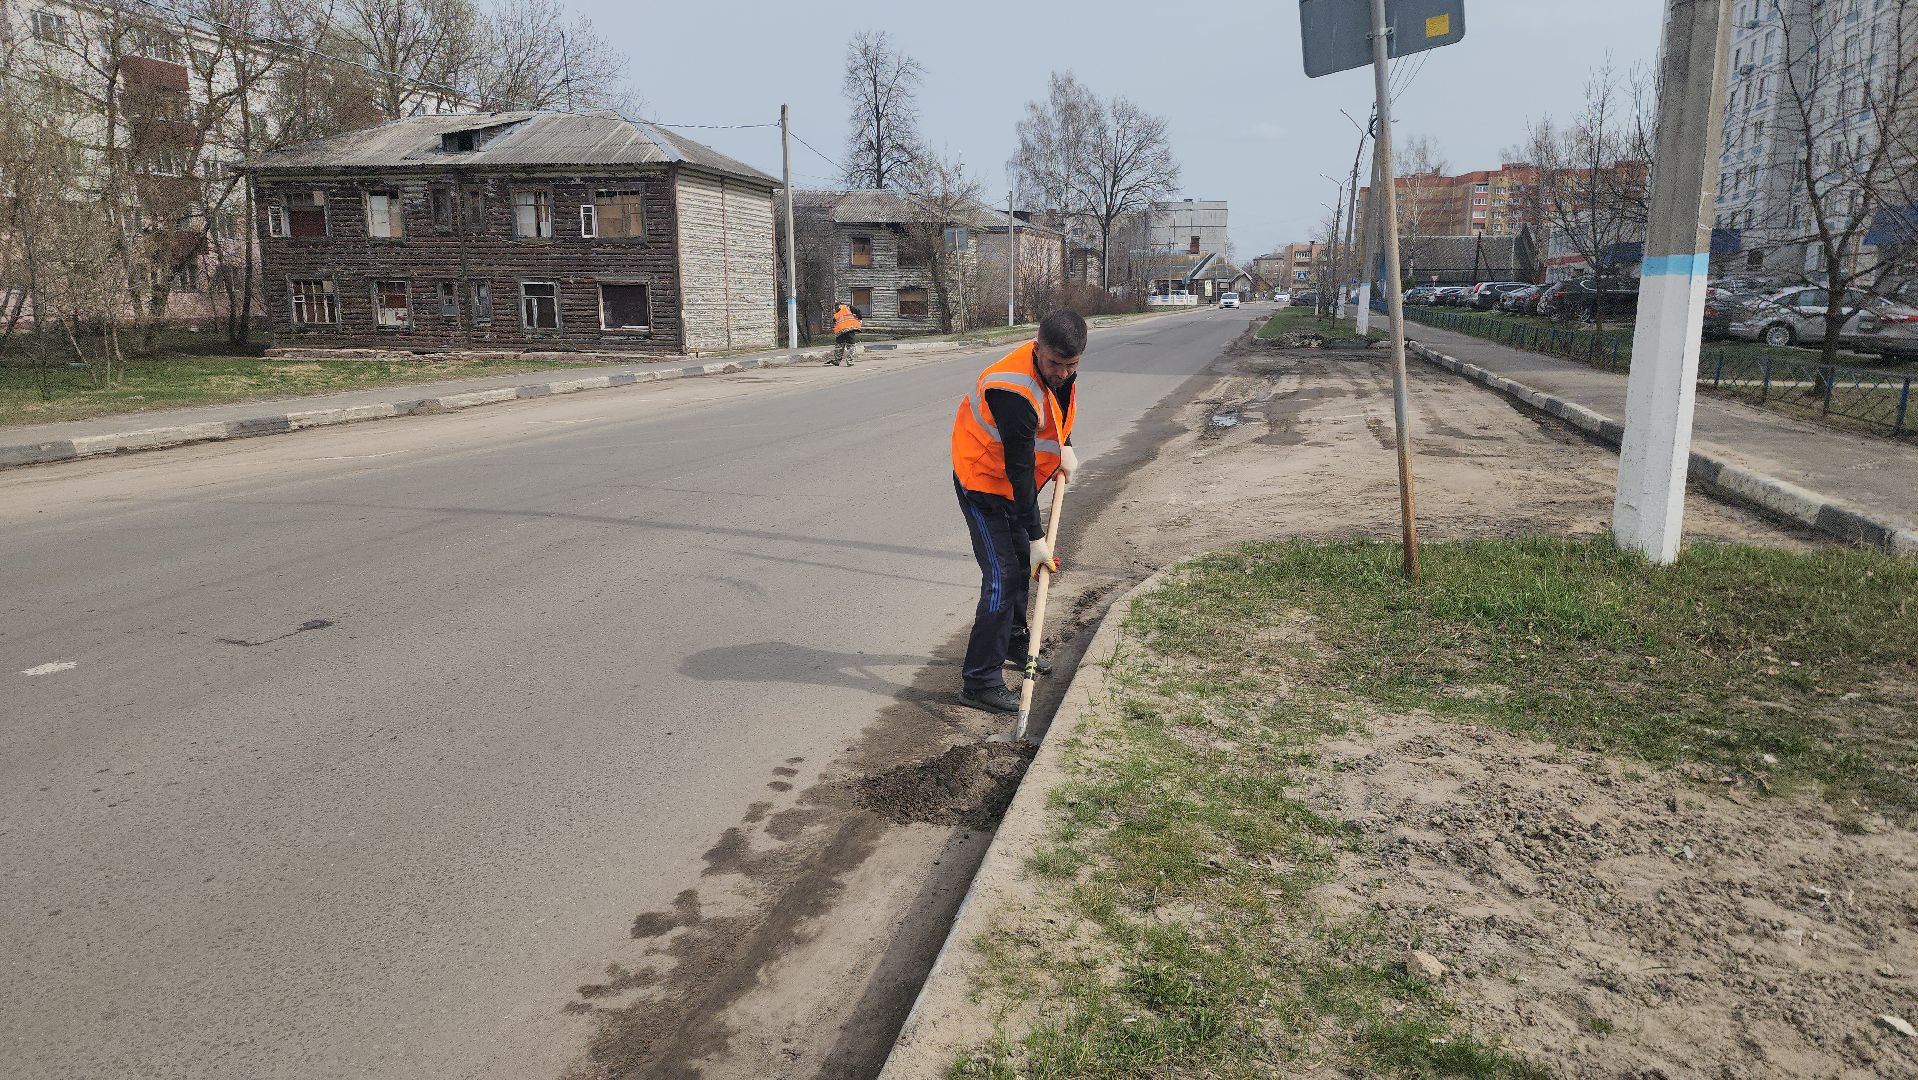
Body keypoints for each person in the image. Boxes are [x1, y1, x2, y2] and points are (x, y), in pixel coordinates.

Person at [949, 310, 1085, 714]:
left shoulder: (1061, 371)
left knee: (1020, 568)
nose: (1062, 373)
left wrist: (1067, 444)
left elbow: (1055, 413)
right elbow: (1020, 472)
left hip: (1008, 482)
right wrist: (1037, 538)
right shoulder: (1013, 391)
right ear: (1036, 347)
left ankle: (1010, 640)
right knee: (1002, 577)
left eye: (1072, 364)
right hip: (982, 481)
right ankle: (979, 681)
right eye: (1055, 364)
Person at [829, 302, 862, 366]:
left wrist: (859, 319)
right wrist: (860, 319)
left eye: (835, 307)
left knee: (841, 346)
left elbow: (834, 322)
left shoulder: (840, 312)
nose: (835, 309)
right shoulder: (847, 308)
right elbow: (858, 311)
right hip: (847, 330)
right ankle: (847, 361)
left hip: (843, 331)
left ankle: (839, 360)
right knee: (848, 345)